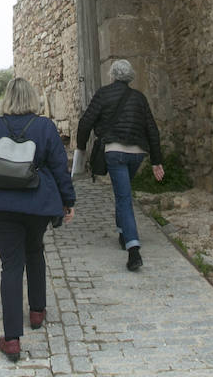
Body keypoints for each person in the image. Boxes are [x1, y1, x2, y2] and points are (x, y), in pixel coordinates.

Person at [0, 77, 76, 362]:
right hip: (36, 205)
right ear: (33, 99)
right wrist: (68, 201)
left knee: (11, 265)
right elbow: (59, 167)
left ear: (7, 99)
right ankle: (37, 311)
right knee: (34, 250)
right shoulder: (44, 127)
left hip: (0, 207)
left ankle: (13, 339)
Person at [75, 59, 164, 272]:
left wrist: (81, 149)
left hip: (114, 152)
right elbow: (152, 129)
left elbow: (86, 122)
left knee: (123, 196)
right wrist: (156, 161)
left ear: (112, 75)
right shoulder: (140, 98)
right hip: (137, 155)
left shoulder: (103, 94)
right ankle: (123, 234)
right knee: (122, 191)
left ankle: (133, 250)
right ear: (130, 76)